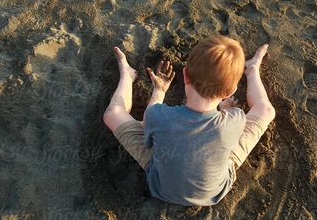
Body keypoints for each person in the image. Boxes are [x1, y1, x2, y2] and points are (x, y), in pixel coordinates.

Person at [103, 35, 275, 206]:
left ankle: (127, 76)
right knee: (265, 110)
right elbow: (244, 119)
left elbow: (149, 124)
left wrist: (159, 91)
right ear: (230, 91)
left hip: (161, 186)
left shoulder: (158, 115)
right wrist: (226, 110)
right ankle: (252, 70)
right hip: (213, 192)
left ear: (185, 74)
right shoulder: (235, 119)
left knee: (113, 113)